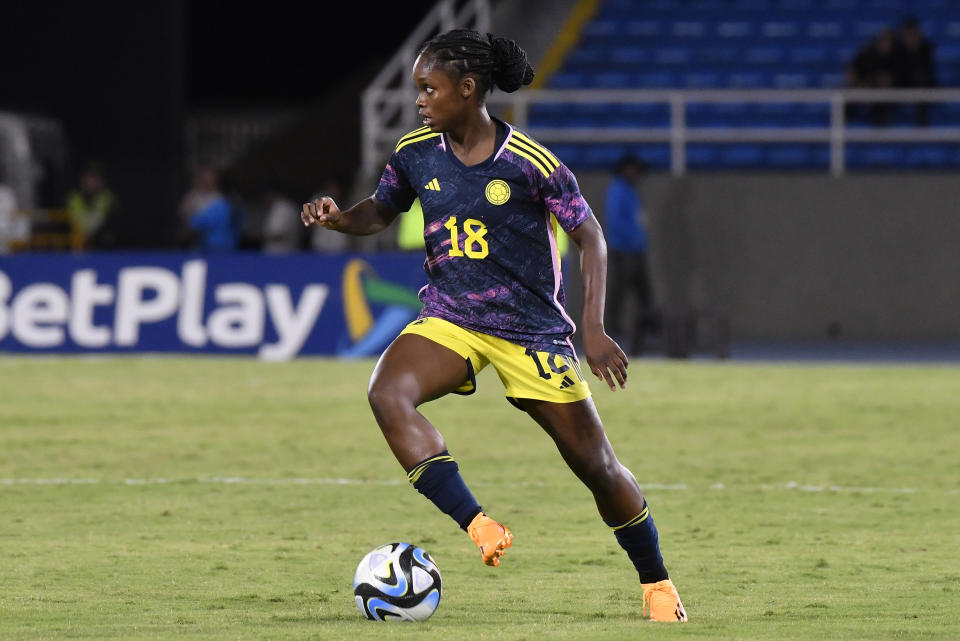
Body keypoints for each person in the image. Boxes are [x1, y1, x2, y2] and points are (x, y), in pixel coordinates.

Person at [301, 29, 687, 622]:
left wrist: (593, 327)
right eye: (417, 91)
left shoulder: (530, 163)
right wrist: (338, 219)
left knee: (597, 466)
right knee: (387, 392)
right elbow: (379, 210)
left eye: (429, 89)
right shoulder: (415, 151)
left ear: (468, 88)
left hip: (530, 332)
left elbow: (590, 236)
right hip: (453, 315)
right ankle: (478, 523)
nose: (420, 101)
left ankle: (657, 584)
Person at [604, 155, 657, 356]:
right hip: (625, 249)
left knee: (641, 291)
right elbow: (618, 223)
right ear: (626, 169)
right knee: (621, 290)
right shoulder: (619, 190)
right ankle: (613, 328)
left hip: (634, 249)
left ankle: (646, 329)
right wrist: (633, 242)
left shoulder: (628, 190)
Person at [66, 162, 117, 249]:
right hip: (76, 243)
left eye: (95, 179)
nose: (91, 182)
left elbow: (112, 224)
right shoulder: (73, 198)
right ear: (82, 180)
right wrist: (83, 237)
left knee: (107, 238)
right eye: (89, 178)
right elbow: (70, 221)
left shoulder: (108, 198)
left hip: (101, 245)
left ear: (101, 181)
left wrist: (92, 237)